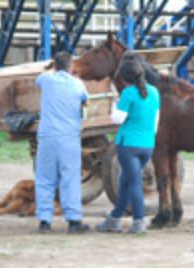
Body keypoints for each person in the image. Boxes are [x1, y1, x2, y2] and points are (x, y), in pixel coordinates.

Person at [96, 58, 160, 234]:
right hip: (147, 144)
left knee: (133, 183)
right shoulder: (154, 92)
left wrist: (115, 105)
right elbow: (155, 121)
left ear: (124, 79)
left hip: (129, 145)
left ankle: (139, 222)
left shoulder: (128, 93)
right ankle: (114, 218)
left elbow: (117, 119)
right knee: (125, 181)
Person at [35, 51, 90, 234]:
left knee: (45, 179)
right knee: (70, 178)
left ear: (55, 65)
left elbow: (39, 78)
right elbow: (85, 101)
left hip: (48, 136)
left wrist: (52, 69)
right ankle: (73, 221)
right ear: (71, 66)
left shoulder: (45, 80)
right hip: (69, 138)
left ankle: (44, 221)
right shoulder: (78, 84)